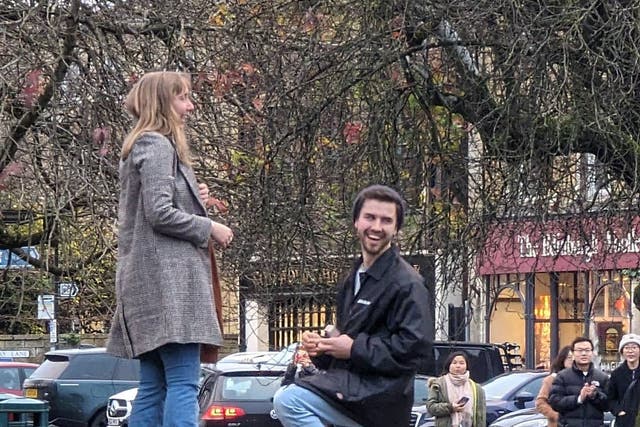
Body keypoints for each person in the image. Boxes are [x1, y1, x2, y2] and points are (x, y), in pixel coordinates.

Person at [106, 71, 233, 426]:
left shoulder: (139, 146)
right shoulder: (157, 144)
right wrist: (211, 227)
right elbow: (159, 213)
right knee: (182, 383)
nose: (190, 106)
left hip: (148, 287)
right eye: (183, 98)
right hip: (171, 292)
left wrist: (196, 198)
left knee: (153, 386)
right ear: (163, 102)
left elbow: (154, 206)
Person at [273, 184, 434, 427]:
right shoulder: (352, 279)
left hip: (379, 401)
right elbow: (347, 348)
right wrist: (324, 349)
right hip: (352, 391)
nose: (377, 227)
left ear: (396, 229)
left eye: (386, 220)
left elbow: (415, 351)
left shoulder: (408, 283)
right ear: (356, 222)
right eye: (370, 217)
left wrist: (353, 348)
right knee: (288, 396)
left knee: (290, 400)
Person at [548, 337, 609, 427]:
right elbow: (554, 402)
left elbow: (609, 405)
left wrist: (595, 396)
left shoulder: (602, 377)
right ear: (573, 354)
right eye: (579, 350)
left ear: (592, 353)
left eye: (587, 350)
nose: (584, 353)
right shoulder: (562, 376)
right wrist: (579, 399)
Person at [426, 351, 486, 427]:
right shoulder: (439, 384)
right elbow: (431, 407)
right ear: (449, 365)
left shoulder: (476, 388)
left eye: (461, 363)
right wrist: (451, 407)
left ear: (466, 366)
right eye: (454, 363)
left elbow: (481, 415)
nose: (458, 366)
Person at [535, 345, 573, 427]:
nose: (572, 360)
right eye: (569, 357)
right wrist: (555, 415)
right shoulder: (552, 379)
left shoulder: (583, 378)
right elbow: (540, 402)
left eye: (574, 357)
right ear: (563, 359)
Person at [607, 333, 640, 427]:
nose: (630, 351)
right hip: (625, 421)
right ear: (622, 352)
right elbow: (610, 398)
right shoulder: (617, 374)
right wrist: (618, 411)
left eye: (634, 347)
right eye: (627, 348)